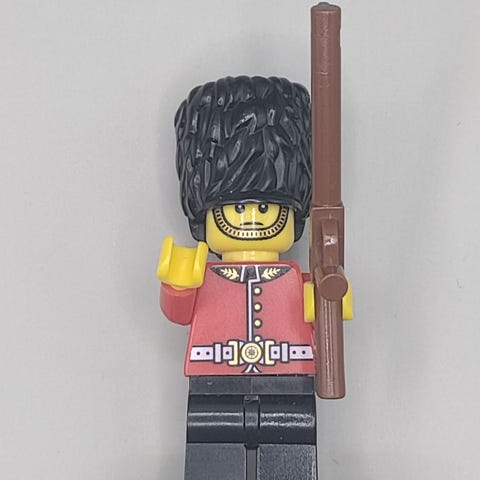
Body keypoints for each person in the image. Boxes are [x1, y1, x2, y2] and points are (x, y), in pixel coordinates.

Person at [158, 76, 318, 480]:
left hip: (290, 380)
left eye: (266, 207)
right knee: (211, 447)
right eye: (236, 208)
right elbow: (178, 312)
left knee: (292, 446)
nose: (252, 218)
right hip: (213, 379)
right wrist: (178, 285)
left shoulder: (293, 277)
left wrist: (329, 299)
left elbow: (321, 313)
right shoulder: (204, 272)